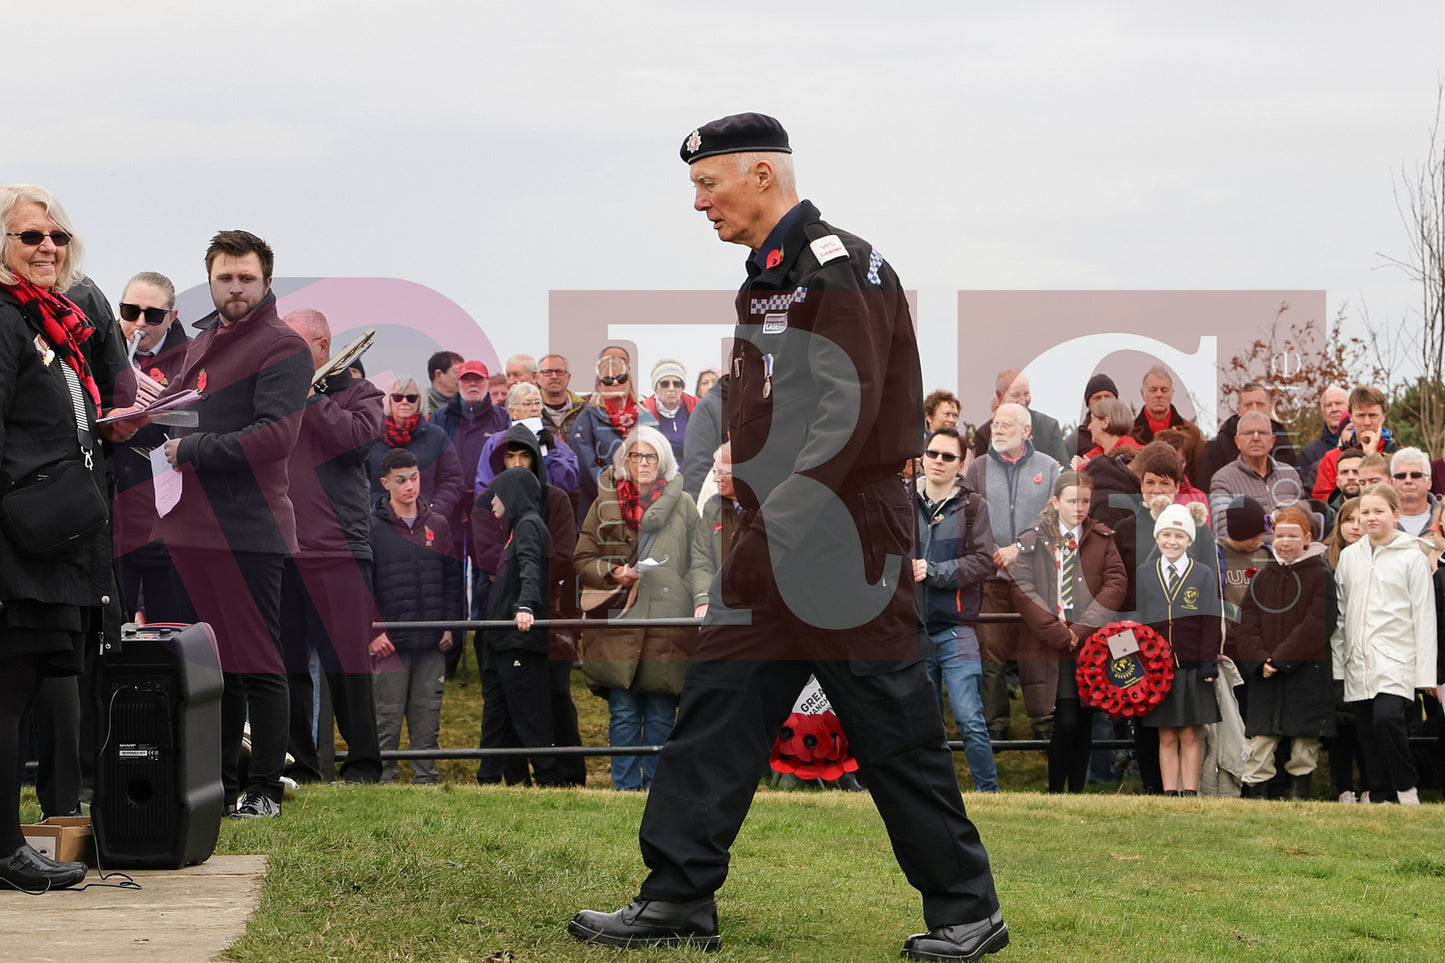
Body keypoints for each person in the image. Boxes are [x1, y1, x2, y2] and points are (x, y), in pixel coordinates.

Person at [570, 113, 1006, 961]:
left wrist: (778, 518)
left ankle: (967, 909)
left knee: (890, 722)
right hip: (776, 527)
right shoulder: (766, 276)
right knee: (716, 706)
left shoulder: (838, 267)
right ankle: (677, 894)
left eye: (708, 183)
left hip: (842, 530)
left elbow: (846, 410)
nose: (699, 203)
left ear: (762, 175)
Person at [155, 230, 313, 818]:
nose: (236, 288)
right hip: (190, 525)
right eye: (225, 277)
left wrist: (192, 449)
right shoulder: (202, 342)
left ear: (267, 281)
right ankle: (219, 787)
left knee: (258, 662)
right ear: (210, 281)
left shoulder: (282, 346)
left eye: (247, 278)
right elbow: (178, 411)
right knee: (212, 666)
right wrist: (141, 414)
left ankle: (265, 788)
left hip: (248, 528)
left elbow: (276, 438)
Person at [0, 185, 121, 889]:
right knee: (8, 693)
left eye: (57, 236)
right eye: (30, 236)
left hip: (57, 543)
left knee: (23, 687)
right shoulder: (5, 319)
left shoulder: (49, 321)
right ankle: (5, 849)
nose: (48, 247)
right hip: (18, 543)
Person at [278, 308, 384, 784]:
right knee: (288, 667)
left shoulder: (361, 393)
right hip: (281, 548)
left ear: (322, 346)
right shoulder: (274, 393)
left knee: (348, 666)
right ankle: (300, 767)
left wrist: (311, 399)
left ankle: (363, 767)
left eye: (295, 345)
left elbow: (356, 443)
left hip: (339, 551)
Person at [573, 426, 703, 791]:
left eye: (650, 456)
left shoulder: (685, 505)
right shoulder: (604, 504)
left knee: (661, 714)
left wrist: (696, 598)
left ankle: (657, 791)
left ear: (663, 462)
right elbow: (582, 558)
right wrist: (613, 571)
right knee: (624, 713)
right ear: (625, 461)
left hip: (667, 626)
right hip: (620, 622)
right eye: (635, 455)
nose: (643, 463)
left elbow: (699, 560)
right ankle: (625, 790)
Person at [473, 423, 585, 787]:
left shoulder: (540, 513)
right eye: (511, 457)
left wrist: (525, 601)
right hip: (506, 627)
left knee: (543, 707)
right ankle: (506, 779)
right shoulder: (504, 510)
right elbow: (489, 556)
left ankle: (560, 779)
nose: (519, 464)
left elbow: (545, 563)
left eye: (526, 456)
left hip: (534, 624)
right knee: (503, 711)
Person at [1009, 472, 1126, 793]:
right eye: (1072, 500)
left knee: (1085, 718)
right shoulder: (1033, 538)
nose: (1079, 507)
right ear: (1056, 501)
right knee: (1065, 719)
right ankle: (1055, 790)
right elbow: (1022, 589)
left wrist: (1083, 628)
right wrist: (1059, 633)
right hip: (1052, 643)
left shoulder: (1102, 538)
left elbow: (1116, 582)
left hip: (1089, 642)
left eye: (1085, 501)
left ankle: (1076, 792)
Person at [1332, 485, 1438, 804]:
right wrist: (1339, 664)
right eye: (1365, 512)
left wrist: (1425, 675)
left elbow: (1424, 616)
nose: (1371, 517)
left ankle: (1406, 787)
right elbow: (1341, 613)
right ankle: (1381, 795)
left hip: (1397, 657)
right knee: (1367, 730)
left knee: (1388, 719)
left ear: (1395, 514)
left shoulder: (1412, 556)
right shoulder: (1349, 557)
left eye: (1379, 511)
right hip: (1358, 660)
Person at [964, 401, 1061, 741]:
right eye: (995, 424)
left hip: (1036, 578)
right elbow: (967, 516)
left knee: (1036, 651)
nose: (998, 430)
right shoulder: (977, 468)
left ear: (1026, 431)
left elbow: (1055, 519)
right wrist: (991, 550)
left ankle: (1043, 724)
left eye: (1006, 424)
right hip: (991, 578)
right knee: (990, 650)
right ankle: (996, 726)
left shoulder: (1049, 467)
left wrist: (1019, 548)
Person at [913, 427, 999, 793]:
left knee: (969, 718)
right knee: (924, 723)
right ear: (922, 456)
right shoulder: (902, 502)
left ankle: (988, 791)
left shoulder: (974, 506)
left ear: (960, 464)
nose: (938, 461)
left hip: (957, 628)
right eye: (933, 453)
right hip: (913, 629)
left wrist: (933, 572)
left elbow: (982, 563)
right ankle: (933, 791)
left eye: (948, 456)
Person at [369, 448, 461, 784]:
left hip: (431, 643)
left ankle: (426, 781)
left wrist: (451, 626)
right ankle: (384, 782)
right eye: (401, 480)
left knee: (428, 715)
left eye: (414, 477)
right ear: (385, 483)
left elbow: (453, 581)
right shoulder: (371, 528)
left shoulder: (438, 524)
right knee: (386, 716)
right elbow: (361, 585)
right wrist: (371, 633)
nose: (410, 486)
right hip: (389, 645)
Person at [1234, 506, 1332, 800]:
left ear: (1307, 538)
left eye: (1293, 536)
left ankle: (1299, 797)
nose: (1285, 542)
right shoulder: (1262, 577)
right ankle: (1257, 797)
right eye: (1279, 536)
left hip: (1307, 674)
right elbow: (1246, 624)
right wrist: (1259, 660)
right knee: (1261, 742)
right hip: (1265, 676)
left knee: (1304, 743)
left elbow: (1318, 624)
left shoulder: (1321, 575)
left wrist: (1281, 659)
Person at [111, 271, 189, 623]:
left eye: (153, 315)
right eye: (130, 312)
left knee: (171, 629)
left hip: (168, 519)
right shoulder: (103, 350)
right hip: (113, 516)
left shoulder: (192, 359)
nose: (139, 324)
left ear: (172, 317)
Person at [1138, 503, 1222, 796]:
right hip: (1158, 669)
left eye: (1179, 536)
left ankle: (1190, 791)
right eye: (1166, 535)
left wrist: (1208, 662)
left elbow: (1211, 621)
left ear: (1189, 540)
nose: (1172, 541)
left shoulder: (1203, 574)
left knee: (1189, 734)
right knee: (1166, 735)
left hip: (1192, 667)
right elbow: (1139, 619)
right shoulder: (1145, 573)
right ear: (1157, 537)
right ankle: (1169, 792)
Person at [569, 353, 656, 524]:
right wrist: (615, 493)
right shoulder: (587, 418)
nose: (615, 383)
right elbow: (586, 465)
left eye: (621, 378)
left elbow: (658, 457)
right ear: (599, 386)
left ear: (629, 382)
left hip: (643, 503)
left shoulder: (646, 418)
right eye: (608, 380)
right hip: (601, 506)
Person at [367, 376, 464, 522]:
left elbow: (452, 479)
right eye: (398, 397)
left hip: (425, 522)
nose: (404, 402)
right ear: (388, 400)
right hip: (378, 522)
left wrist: (434, 512)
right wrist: (372, 512)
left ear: (419, 401)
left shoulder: (437, 437)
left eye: (411, 398)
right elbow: (359, 480)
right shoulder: (371, 437)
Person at [1323, 498, 1369, 802]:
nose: (1355, 526)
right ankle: (1343, 788)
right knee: (1340, 725)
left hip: (1367, 652)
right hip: (1333, 653)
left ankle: (1370, 786)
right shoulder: (1325, 560)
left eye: (1361, 519)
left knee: (1366, 725)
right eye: (1348, 520)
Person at [1207, 410, 1304, 539]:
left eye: (1262, 433)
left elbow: (1305, 523)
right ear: (1237, 441)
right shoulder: (1223, 480)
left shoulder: (1290, 474)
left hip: (1291, 549)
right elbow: (1224, 535)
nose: (1256, 438)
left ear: (1272, 441)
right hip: (1250, 551)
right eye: (1248, 433)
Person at [1196, 382, 1298, 491]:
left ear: (1270, 409)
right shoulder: (1217, 447)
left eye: (1260, 404)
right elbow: (1206, 492)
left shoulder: (1283, 445)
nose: (1254, 409)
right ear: (1239, 410)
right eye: (1248, 405)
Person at [1310, 386, 1398, 502]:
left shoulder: (1399, 457)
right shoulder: (1331, 459)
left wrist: (1372, 457)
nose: (1367, 422)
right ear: (1351, 417)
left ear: (1383, 417)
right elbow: (1323, 502)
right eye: (1361, 416)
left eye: (1373, 415)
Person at [970, 369, 1069, 467]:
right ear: (1000, 396)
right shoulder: (985, 434)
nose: (1022, 401)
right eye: (1015, 395)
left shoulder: (1048, 427)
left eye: (1026, 394)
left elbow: (1064, 471)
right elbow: (981, 473)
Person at [1129, 365, 1206, 481]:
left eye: (1164, 390)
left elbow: (1199, 475)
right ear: (1142, 393)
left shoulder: (1193, 433)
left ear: (1172, 393)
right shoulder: (1129, 432)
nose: (1159, 395)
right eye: (1153, 390)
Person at [641, 359, 698, 462]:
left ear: (682, 388)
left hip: (693, 467)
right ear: (655, 388)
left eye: (677, 384)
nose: (671, 388)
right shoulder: (644, 413)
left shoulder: (696, 408)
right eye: (665, 384)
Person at [1297, 385, 1349, 494]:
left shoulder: (1365, 443)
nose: (1334, 409)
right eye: (1328, 405)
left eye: (1339, 403)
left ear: (1350, 408)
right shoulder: (1309, 453)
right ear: (1323, 413)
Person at [1071, 397, 1141, 467]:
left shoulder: (1137, 459)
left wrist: (1087, 469)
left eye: (1092, 420)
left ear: (1105, 422)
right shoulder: (1094, 457)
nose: (1089, 427)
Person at [1389, 448, 1437, 537]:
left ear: (1429, 483)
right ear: (1392, 483)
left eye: (1416, 475)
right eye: (1401, 476)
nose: (1408, 480)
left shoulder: (1442, 516)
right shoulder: (1379, 519)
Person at [539, 353, 587, 439]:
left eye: (559, 372)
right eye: (547, 372)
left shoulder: (585, 410)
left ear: (569, 377)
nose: (554, 376)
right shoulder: (527, 410)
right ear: (537, 378)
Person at [1072, 374, 1119, 457]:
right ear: (1088, 404)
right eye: (1097, 398)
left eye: (1107, 396)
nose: (1103, 401)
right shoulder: (1076, 440)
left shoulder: (1132, 431)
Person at [425, 349, 463, 414]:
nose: (462, 378)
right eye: (457, 373)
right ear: (438, 375)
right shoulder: (418, 405)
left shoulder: (470, 404)